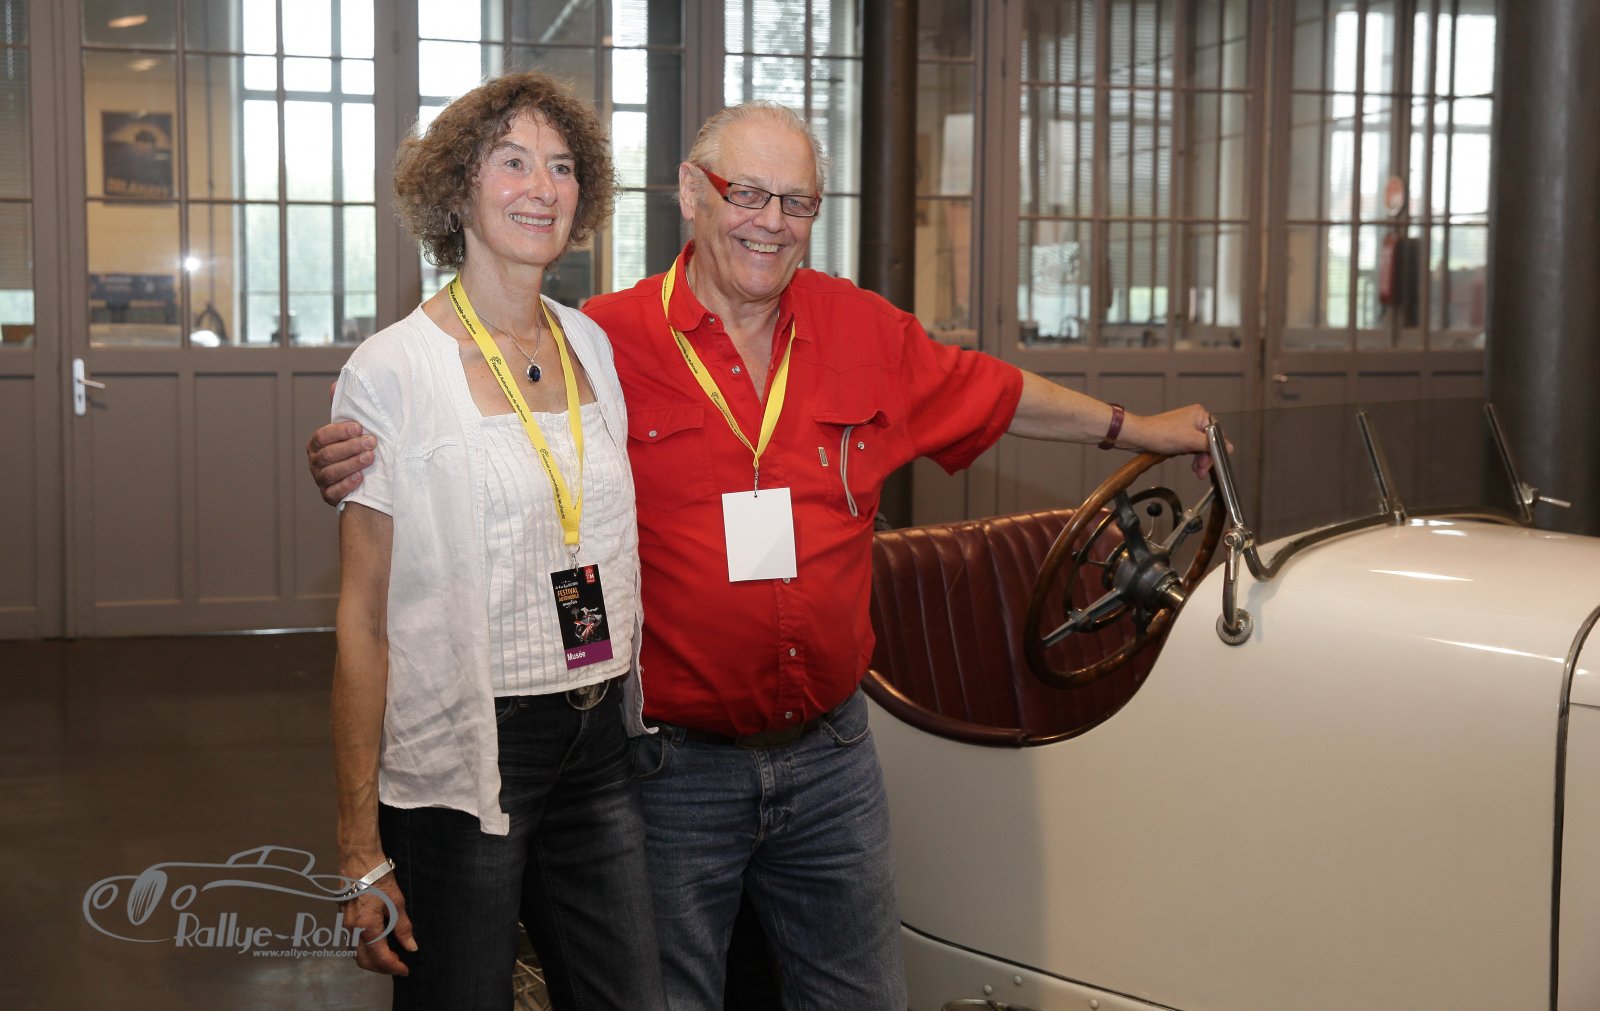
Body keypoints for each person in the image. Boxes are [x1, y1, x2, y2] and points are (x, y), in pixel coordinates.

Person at [310, 101, 1211, 1009]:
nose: (770, 222)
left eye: (796, 201)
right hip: (672, 769)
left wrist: (1140, 428)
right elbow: (483, 444)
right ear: (690, 193)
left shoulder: (843, 330)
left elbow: (994, 390)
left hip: (831, 759)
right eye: (746, 193)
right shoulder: (612, 338)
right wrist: (360, 459)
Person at [328, 71, 663, 1010]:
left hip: (599, 733)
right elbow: (361, 621)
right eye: (512, 162)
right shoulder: (394, 370)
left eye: (562, 166)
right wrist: (358, 847)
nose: (542, 187)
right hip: (472, 752)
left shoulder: (591, 345)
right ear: (458, 189)